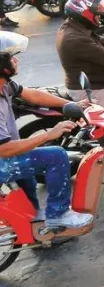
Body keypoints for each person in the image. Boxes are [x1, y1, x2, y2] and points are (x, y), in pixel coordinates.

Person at [0, 31, 94, 228]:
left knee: (29, 191)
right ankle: (58, 214)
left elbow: (33, 95)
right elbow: (5, 149)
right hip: (3, 159)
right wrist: (49, 135)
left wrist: (71, 104)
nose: (16, 60)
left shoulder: (4, 85)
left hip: (8, 156)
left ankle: (36, 230)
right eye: (10, 58)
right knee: (56, 156)